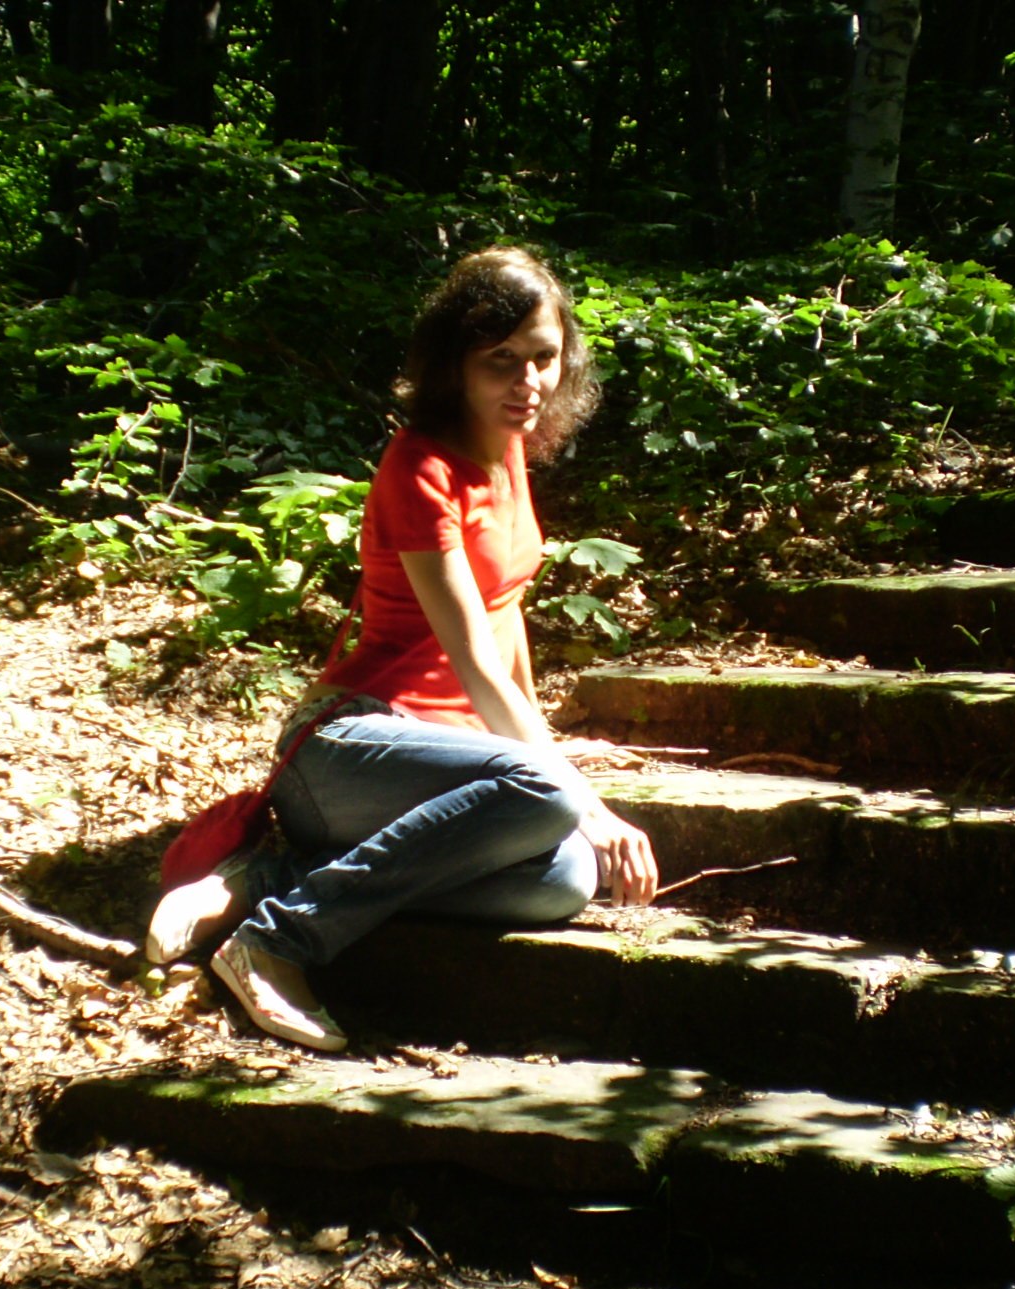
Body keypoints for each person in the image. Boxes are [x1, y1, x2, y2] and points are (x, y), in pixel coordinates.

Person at [147, 246, 658, 1050]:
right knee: (551, 797)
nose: (527, 381)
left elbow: (504, 617)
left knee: (564, 877)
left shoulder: (508, 450)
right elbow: (474, 661)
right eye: (500, 360)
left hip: (438, 770)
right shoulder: (420, 467)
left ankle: (269, 878)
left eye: (543, 357)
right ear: (455, 365)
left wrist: (545, 746)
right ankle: (278, 941)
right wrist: (581, 797)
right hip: (347, 747)